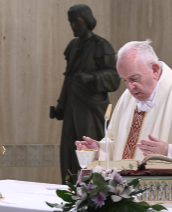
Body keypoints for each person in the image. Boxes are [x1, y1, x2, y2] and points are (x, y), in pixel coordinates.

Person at [75, 40, 172, 197]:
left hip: (168, 199)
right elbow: (121, 148)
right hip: (129, 199)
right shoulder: (127, 98)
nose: (130, 87)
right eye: (125, 80)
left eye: (134, 78)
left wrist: (169, 151)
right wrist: (101, 151)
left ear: (154, 69)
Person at [50, 4, 120, 184]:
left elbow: (114, 77)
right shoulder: (73, 46)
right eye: (71, 22)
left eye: (77, 21)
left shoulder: (101, 45)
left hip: (91, 108)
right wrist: (61, 106)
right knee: (69, 150)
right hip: (72, 106)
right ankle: (72, 189)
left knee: (87, 148)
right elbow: (69, 78)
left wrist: (92, 77)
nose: (74, 26)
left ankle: (94, 191)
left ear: (87, 21)